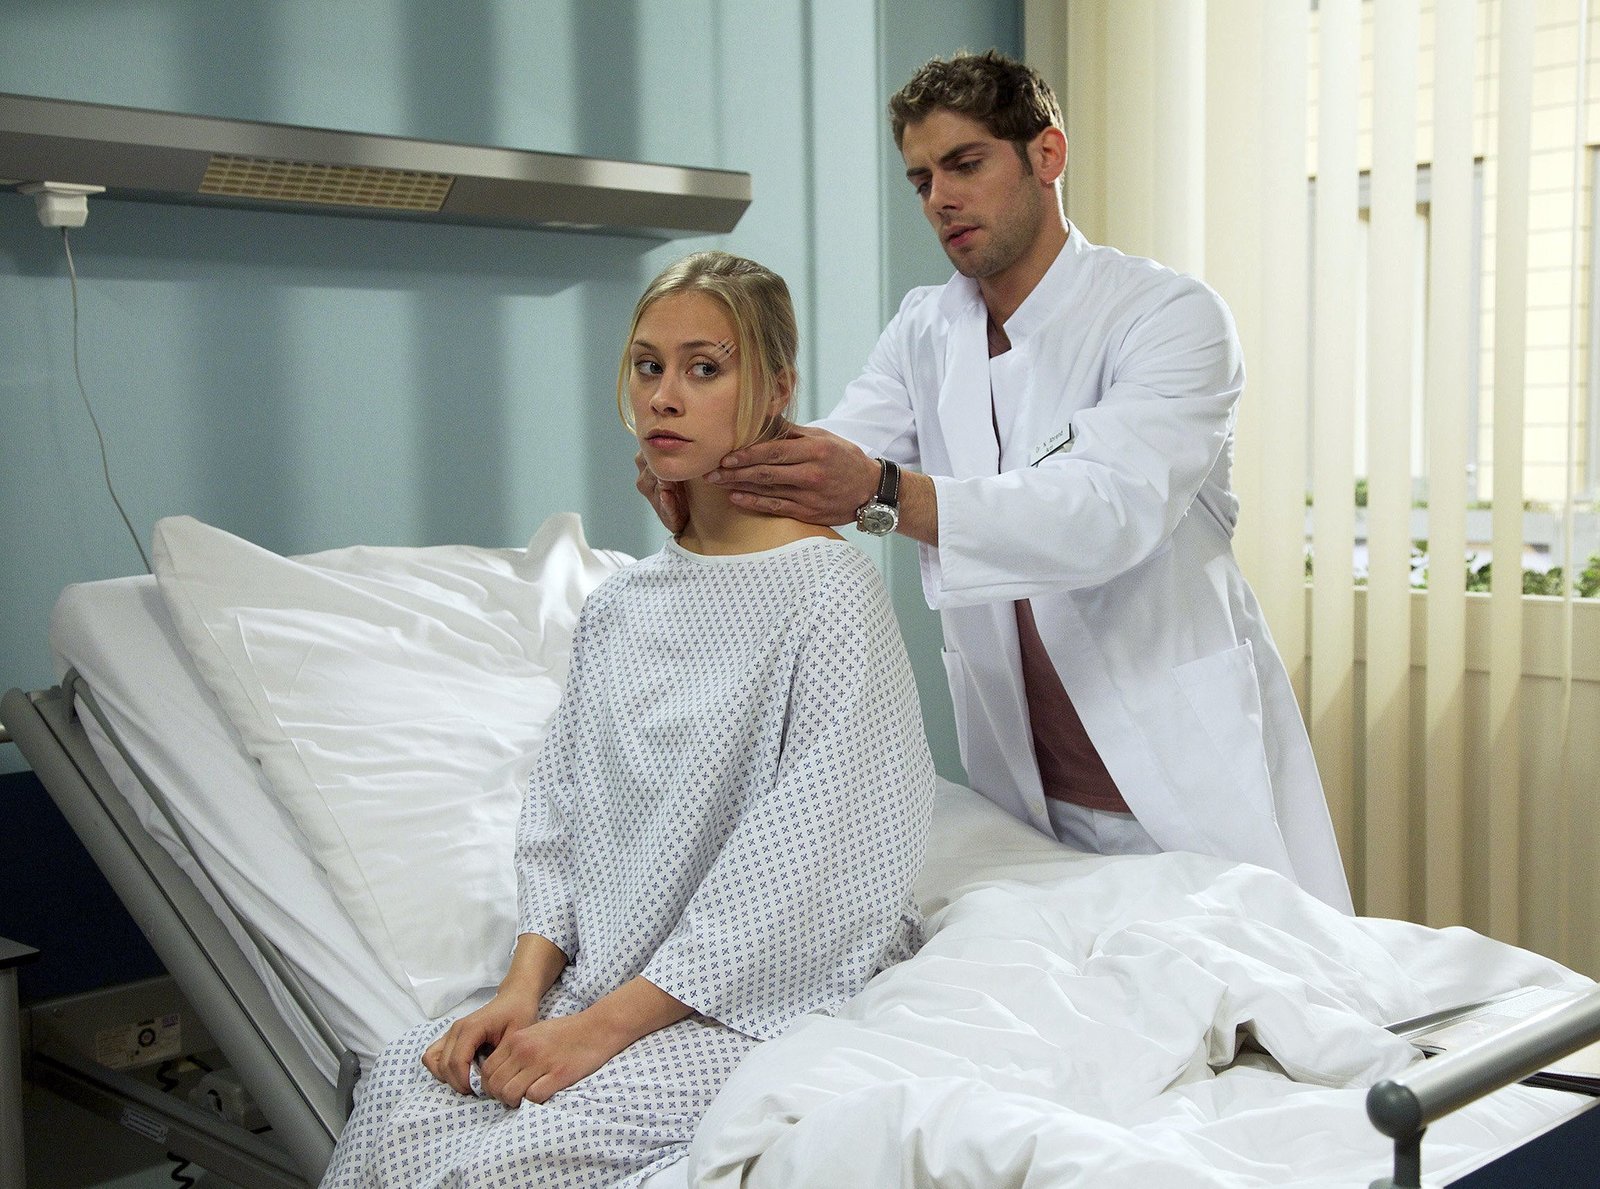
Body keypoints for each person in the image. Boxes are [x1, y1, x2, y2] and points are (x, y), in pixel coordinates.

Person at [643, 51, 1351, 913]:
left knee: (1258, 974)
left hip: (1175, 771)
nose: (940, 198)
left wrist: (886, 492)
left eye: (965, 164)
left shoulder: (1167, 317)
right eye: (921, 179)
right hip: (1023, 792)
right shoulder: (926, 329)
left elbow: (1108, 512)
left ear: (1047, 155)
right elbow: (832, 454)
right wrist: (707, 468)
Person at [322, 251, 935, 1189]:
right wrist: (521, 993)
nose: (665, 396)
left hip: (754, 1001)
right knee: (401, 1097)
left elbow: (800, 870)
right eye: (649, 366)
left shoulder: (828, 595)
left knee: (500, 1167)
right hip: (601, 980)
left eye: (705, 367)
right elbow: (560, 814)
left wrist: (598, 1031)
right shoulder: (620, 604)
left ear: (776, 390)